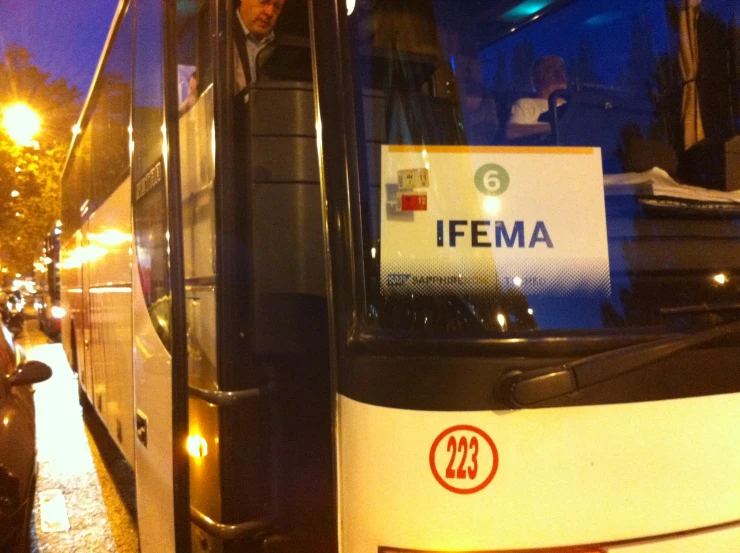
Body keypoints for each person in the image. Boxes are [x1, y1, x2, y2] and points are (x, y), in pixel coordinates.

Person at [506, 56, 568, 141]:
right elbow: (512, 132)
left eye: (561, 68)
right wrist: (553, 128)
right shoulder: (526, 104)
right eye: (551, 68)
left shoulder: (572, 105)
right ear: (537, 77)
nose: (558, 73)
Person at [234, 0, 286, 99]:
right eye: (263, 1)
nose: (270, 12)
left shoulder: (286, 47)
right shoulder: (218, 36)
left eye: (277, 6)